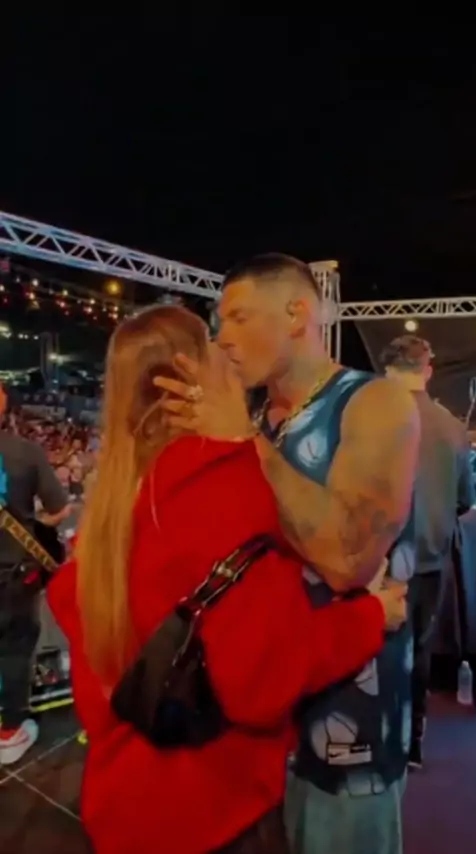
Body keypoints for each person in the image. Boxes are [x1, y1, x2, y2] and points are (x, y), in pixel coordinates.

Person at [48, 305, 407, 854]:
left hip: (122, 806)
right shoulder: (223, 487)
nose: (228, 348)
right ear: (192, 373)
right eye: (213, 340)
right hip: (212, 813)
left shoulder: (113, 500)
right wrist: (371, 616)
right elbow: (265, 678)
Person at [155, 254, 420, 854]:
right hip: (257, 719)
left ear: (297, 313)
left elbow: (349, 560)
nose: (222, 338)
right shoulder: (256, 417)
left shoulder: (375, 402)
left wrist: (243, 442)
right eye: (219, 322)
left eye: (239, 317)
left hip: (347, 728)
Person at [380, 334, 475, 769]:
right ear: (428, 370)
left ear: (386, 370)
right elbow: (464, 500)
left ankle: (376, 740)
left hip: (378, 559)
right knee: (418, 651)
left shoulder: (370, 421)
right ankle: (412, 743)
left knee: (373, 650)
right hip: (431, 559)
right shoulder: (452, 427)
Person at [0, 383, 69, 765]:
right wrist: (32, 523)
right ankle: (9, 732)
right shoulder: (25, 452)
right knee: (14, 648)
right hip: (14, 573)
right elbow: (59, 510)